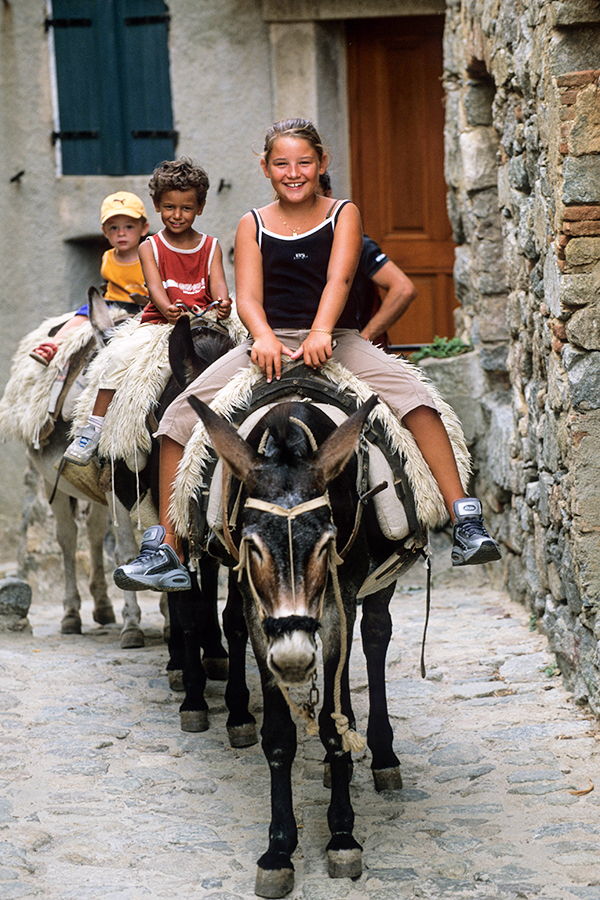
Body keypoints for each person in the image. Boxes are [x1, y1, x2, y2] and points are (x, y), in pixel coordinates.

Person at [114, 118, 500, 593]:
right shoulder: (251, 223)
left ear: (321, 164)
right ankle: (168, 547)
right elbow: (249, 297)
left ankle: (464, 518)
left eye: (303, 162)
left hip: (335, 335)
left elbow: (339, 279)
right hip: (268, 341)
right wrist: (262, 337)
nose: (292, 172)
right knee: (177, 416)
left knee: (417, 396)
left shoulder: (343, 213)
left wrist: (322, 332)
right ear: (265, 167)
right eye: (281, 163)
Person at [63, 158, 231, 466]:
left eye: (186, 208)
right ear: (157, 205)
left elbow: (219, 284)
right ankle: (94, 426)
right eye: (169, 207)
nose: (177, 215)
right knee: (118, 356)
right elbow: (154, 288)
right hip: (161, 323)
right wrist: (168, 308)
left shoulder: (211, 246)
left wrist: (222, 304)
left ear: (201, 207)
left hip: (205, 320)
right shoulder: (150, 246)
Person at [30, 192, 150, 365]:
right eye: (114, 228)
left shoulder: (149, 255)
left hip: (142, 305)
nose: (121, 233)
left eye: (129, 227)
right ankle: (53, 344)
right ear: (105, 232)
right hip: (113, 303)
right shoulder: (108, 256)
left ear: (144, 228)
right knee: (83, 313)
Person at [319, 171, 417, 348]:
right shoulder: (274, 239)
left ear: (329, 196)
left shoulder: (356, 243)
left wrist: (365, 337)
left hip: (347, 350)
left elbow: (403, 289)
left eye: (314, 198)